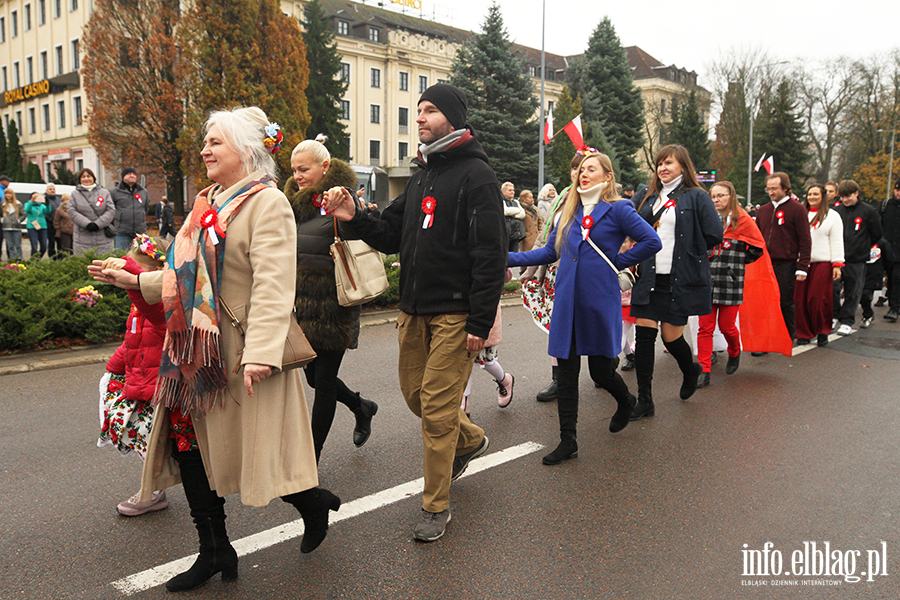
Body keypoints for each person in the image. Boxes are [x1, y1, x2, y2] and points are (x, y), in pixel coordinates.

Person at [89, 107, 339, 592]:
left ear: (246, 151)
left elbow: (272, 284)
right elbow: (187, 277)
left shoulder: (267, 203)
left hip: (241, 350)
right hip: (192, 349)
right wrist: (134, 278)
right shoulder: (209, 201)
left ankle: (311, 503)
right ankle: (215, 549)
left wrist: (263, 352)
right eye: (206, 141)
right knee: (190, 448)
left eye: (215, 142)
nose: (204, 150)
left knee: (258, 453)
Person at [324, 83, 504, 542]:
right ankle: (471, 440)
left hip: (456, 315)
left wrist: (481, 322)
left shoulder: (476, 176)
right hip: (414, 309)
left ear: (453, 117)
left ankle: (435, 506)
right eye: (418, 109)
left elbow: (490, 255)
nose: (419, 117)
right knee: (415, 398)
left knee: (439, 410)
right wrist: (353, 215)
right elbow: (389, 233)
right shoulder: (422, 172)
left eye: (429, 110)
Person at [509, 151, 661, 463]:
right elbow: (548, 252)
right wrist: (506, 259)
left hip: (598, 300)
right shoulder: (569, 211)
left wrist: (618, 262)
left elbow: (651, 241)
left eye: (592, 169)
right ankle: (569, 441)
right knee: (566, 373)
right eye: (581, 170)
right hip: (566, 301)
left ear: (608, 176)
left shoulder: (619, 209)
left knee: (602, 371)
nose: (584, 174)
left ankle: (626, 400)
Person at [284, 134, 379, 462]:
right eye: (294, 169)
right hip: (303, 306)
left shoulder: (341, 200)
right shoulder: (294, 205)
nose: (297, 175)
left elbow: (361, 224)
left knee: (323, 381)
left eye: (304, 169)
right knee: (313, 378)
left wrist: (351, 201)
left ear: (325, 167)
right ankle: (361, 406)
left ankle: (310, 458)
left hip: (336, 305)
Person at [629, 145, 723, 420]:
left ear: (683, 166)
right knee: (644, 337)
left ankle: (690, 369)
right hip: (648, 278)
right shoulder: (649, 197)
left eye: (669, 163)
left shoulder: (696, 197)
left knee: (672, 339)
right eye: (659, 164)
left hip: (677, 279)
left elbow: (714, 234)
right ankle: (645, 400)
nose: (663, 168)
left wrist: (689, 252)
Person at [97, 234, 171, 516]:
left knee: (158, 445)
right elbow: (131, 341)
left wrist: (134, 278)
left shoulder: (161, 304)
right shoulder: (138, 305)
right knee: (148, 444)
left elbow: (159, 321)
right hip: (142, 384)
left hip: (159, 388)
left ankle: (152, 492)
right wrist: (114, 367)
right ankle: (155, 488)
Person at [521, 152, 590, 402]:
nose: (576, 173)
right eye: (574, 169)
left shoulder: (601, 201)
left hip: (584, 277)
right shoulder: (562, 197)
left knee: (587, 326)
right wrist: (529, 270)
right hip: (555, 273)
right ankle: (559, 379)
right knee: (557, 328)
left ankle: (606, 363)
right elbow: (545, 236)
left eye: (582, 168)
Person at [696, 182, 765, 387]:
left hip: (730, 282)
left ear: (730, 196)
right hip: (707, 281)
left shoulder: (742, 219)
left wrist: (736, 264)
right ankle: (704, 369)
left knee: (727, 327)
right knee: (705, 327)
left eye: (720, 196)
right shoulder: (706, 219)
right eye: (713, 196)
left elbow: (758, 247)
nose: (716, 200)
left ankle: (734, 351)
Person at [755, 172, 812, 343]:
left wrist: (803, 266)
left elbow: (805, 239)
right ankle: (765, 336)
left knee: (785, 300)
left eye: (774, 188)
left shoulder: (797, 209)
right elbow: (757, 236)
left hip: (786, 263)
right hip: (764, 262)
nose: (771, 192)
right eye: (768, 189)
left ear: (785, 188)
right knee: (764, 302)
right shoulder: (763, 210)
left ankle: (788, 334)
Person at [795, 184, 844, 346]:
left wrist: (837, 263)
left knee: (817, 299)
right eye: (809, 194)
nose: (812, 197)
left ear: (823, 196)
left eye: (815, 194)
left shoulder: (832, 216)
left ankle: (822, 330)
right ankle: (803, 332)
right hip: (801, 263)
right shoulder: (801, 214)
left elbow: (837, 241)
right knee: (800, 299)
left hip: (822, 263)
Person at [832, 179, 882, 335]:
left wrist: (862, 246)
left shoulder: (868, 211)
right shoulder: (836, 211)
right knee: (833, 289)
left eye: (849, 196)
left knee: (853, 291)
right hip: (838, 257)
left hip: (857, 259)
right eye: (843, 196)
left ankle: (847, 321)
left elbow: (877, 234)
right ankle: (834, 315)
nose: (846, 200)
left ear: (856, 193)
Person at [69, 168, 115, 255]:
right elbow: (71, 211)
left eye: (88, 176)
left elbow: (111, 210)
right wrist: (87, 224)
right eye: (83, 177)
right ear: (80, 179)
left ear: (93, 178)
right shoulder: (75, 194)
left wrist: (98, 224)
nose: (86, 179)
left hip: (102, 238)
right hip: (82, 238)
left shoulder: (104, 192)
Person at [111, 167, 149, 250]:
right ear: (123, 177)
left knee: (142, 259)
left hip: (140, 233)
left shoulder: (143, 191)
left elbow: (145, 209)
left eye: (134, 174)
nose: (132, 176)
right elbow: (111, 210)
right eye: (129, 174)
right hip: (122, 233)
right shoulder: (114, 192)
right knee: (122, 258)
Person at [881, 180, 900, 322]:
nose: (898, 193)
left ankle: (894, 308)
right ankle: (894, 305)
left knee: (897, 278)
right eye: (897, 189)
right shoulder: (886, 205)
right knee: (891, 279)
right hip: (888, 249)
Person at [24, 192, 50, 258]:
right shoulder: (27, 204)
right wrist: (32, 200)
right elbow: (27, 209)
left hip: (42, 226)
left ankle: (38, 258)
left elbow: (48, 210)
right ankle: (33, 260)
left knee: (44, 246)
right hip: (32, 226)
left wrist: (47, 202)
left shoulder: (41, 206)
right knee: (34, 246)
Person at [502, 181, 526, 252]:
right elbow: (505, 211)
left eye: (513, 190)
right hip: (506, 234)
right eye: (510, 190)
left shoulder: (516, 202)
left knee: (515, 255)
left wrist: (512, 213)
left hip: (516, 234)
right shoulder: (501, 201)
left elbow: (522, 214)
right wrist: (517, 210)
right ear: (504, 192)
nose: (512, 192)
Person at [2, 188, 23, 260]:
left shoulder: (18, 204)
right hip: (6, 227)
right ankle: (12, 258)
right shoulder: (3, 204)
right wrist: (2, 220)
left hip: (16, 227)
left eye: (9, 193)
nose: (8, 195)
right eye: (6, 193)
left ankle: (19, 258)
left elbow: (23, 214)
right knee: (9, 245)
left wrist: (18, 220)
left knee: (17, 244)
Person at [44, 184, 61, 259]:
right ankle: (52, 258)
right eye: (50, 189)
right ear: (46, 191)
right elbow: (44, 212)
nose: (52, 190)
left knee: (60, 243)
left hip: (59, 225)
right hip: (50, 225)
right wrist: (51, 220)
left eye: (53, 189)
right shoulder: (44, 200)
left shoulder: (58, 199)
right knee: (51, 243)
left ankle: (60, 257)